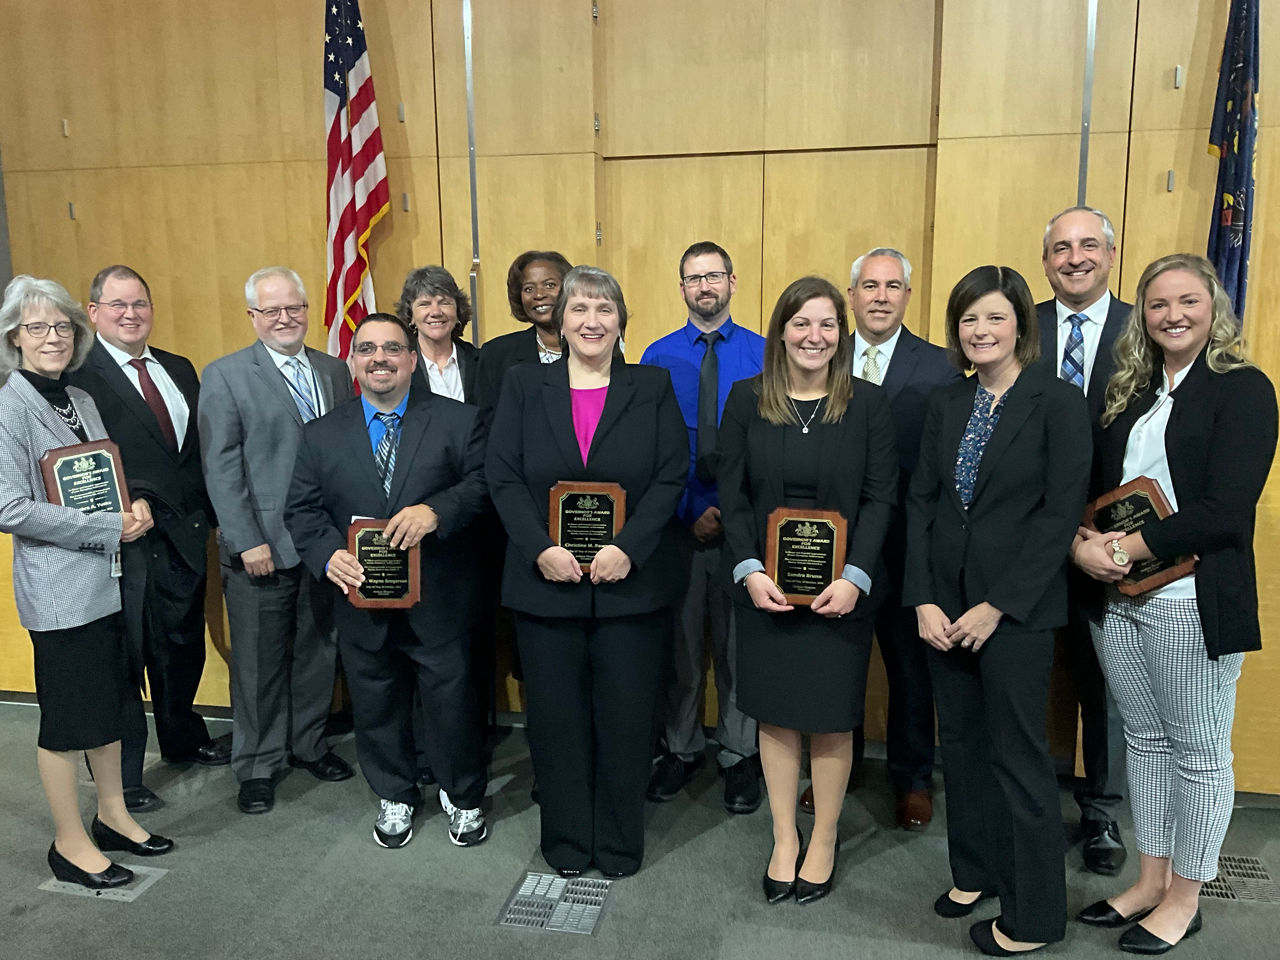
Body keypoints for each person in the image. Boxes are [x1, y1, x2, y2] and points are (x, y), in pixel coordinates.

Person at [1072, 254, 1277, 954]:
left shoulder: (1243, 389)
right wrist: (1086, 544)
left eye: (1188, 301)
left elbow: (1225, 509)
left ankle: (1187, 896)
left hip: (1192, 596)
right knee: (1145, 743)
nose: (1173, 315)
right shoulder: (1131, 392)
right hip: (1120, 596)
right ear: (1143, 316)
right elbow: (1097, 488)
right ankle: (1149, 880)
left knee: (1198, 751)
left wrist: (1129, 547)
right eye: (1158, 305)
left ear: (1214, 306)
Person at [904, 265, 1090, 955]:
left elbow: (1058, 517)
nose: (981, 331)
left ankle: (1035, 918)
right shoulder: (947, 403)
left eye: (994, 318)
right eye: (968, 320)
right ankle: (975, 871)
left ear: (1021, 325)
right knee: (964, 750)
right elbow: (921, 501)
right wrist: (921, 594)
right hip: (943, 609)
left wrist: (998, 606)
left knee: (1019, 758)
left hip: (1015, 613)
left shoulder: (1058, 403)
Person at [486, 265, 687, 878]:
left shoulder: (651, 385)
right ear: (561, 320)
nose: (591, 321)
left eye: (604, 309)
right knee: (555, 722)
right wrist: (537, 547)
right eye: (579, 309)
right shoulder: (524, 384)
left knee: (627, 723)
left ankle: (621, 844)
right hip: (546, 587)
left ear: (621, 321)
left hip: (631, 587)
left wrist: (629, 545)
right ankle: (568, 842)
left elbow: (671, 475)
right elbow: (503, 474)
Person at [718, 275, 897, 905]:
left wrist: (856, 578)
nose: (813, 335)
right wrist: (748, 569)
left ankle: (823, 836)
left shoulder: (869, 405)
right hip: (765, 591)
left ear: (840, 335)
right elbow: (732, 496)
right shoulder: (746, 400)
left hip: (841, 598)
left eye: (826, 324)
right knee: (775, 715)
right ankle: (783, 837)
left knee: (829, 719)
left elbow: (881, 500)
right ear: (781, 332)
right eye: (801, 323)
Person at [286, 312, 491, 850]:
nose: (380, 358)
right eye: (368, 349)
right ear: (352, 361)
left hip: (440, 596)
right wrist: (327, 555)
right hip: (359, 596)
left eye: (393, 349)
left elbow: (484, 485)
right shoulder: (320, 434)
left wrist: (437, 512)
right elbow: (303, 512)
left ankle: (462, 796)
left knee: (450, 699)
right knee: (375, 698)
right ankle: (395, 793)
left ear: (411, 359)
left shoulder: (458, 421)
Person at [0, 276, 173, 889]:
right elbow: (9, 507)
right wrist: (105, 526)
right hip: (61, 594)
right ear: (14, 338)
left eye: (62, 327)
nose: (52, 338)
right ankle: (69, 844)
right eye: (37, 328)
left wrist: (138, 507)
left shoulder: (80, 396)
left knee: (114, 703)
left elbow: (105, 475)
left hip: (109, 579)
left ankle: (113, 814)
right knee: (68, 720)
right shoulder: (8, 407)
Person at [799, 247, 960, 830]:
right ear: (852, 295)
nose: (881, 296)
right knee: (831, 666)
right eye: (869, 286)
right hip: (830, 548)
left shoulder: (940, 365)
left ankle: (912, 778)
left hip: (905, 546)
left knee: (909, 671)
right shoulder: (818, 356)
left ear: (908, 297)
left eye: (893, 286)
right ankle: (827, 772)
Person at [199, 267, 355, 816]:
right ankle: (259, 764)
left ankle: (308, 743)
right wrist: (245, 540)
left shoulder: (336, 370)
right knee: (259, 663)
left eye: (294, 308)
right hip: (262, 545)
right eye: (272, 311)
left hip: (325, 544)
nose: (286, 319)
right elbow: (220, 467)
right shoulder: (225, 375)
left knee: (319, 652)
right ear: (253, 317)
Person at [69, 265, 224, 812]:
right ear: (93, 313)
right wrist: (123, 500)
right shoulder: (77, 375)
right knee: (124, 658)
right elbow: (77, 459)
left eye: (139, 303)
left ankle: (183, 737)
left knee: (180, 644)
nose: (131, 314)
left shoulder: (179, 368)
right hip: (120, 539)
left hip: (184, 534)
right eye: (117, 305)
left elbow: (195, 452)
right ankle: (125, 776)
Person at [640, 240, 765, 814]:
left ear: (733, 282)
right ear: (682, 287)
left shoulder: (767, 355)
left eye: (714, 275)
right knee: (683, 650)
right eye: (693, 278)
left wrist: (733, 514)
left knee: (741, 651)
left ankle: (740, 755)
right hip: (680, 527)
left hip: (747, 533)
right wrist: (691, 510)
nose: (704, 286)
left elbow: (772, 450)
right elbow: (651, 451)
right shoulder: (656, 357)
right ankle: (681, 747)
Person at [1037, 205, 1132, 875]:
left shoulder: (1143, 329)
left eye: (1088, 245)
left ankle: (1101, 814)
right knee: (1033, 678)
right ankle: (1034, 804)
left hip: (1115, 545)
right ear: (1046, 260)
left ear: (1111, 252)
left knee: (1107, 685)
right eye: (1062, 248)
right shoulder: (1020, 327)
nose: (1075, 257)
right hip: (1032, 536)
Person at [475, 250, 573, 427]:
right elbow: (485, 426)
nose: (539, 295)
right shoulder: (497, 354)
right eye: (529, 288)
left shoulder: (592, 348)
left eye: (550, 285)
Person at [398, 265, 480, 403]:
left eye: (444, 303)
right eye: (424, 304)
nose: (435, 312)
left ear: (458, 311)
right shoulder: (400, 366)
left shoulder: (480, 362)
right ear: (411, 315)